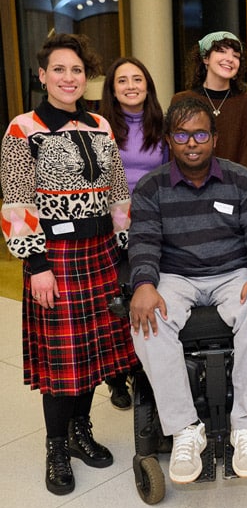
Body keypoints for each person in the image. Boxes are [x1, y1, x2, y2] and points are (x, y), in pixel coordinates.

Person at [0, 33, 136, 495]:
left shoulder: (99, 124)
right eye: (59, 69)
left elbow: (118, 194)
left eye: (76, 70)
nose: (68, 78)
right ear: (42, 76)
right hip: (52, 258)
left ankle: (82, 432)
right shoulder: (23, 128)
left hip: (101, 254)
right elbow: (16, 203)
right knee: (62, 361)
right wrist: (36, 265)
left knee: (91, 354)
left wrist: (125, 250)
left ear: (85, 76)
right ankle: (56, 447)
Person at [128, 97, 247, 484]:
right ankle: (184, 430)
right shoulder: (150, 187)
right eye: (181, 135)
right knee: (148, 321)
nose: (191, 143)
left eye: (200, 134)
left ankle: (246, 427)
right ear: (169, 140)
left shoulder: (241, 178)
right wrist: (144, 284)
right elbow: (143, 241)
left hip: (233, 271)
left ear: (215, 137)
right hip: (176, 275)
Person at [99, 56, 167, 410]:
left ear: (147, 85)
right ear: (112, 89)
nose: (130, 86)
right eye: (122, 80)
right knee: (116, 297)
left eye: (137, 79)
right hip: (111, 225)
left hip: (152, 220)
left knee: (147, 289)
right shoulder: (99, 125)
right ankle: (115, 377)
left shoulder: (161, 123)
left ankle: (144, 369)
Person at [172, 31, 247, 183]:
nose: (229, 59)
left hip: (237, 193)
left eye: (235, 55)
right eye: (221, 51)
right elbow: (177, 152)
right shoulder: (181, 100)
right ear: (205, 58)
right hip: (190, 192)